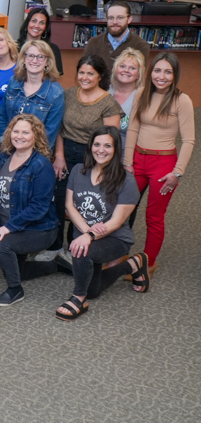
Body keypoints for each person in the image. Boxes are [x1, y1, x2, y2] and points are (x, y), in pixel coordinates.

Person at [53, 126, 149, 320]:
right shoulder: (78, 170)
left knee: (82, 251)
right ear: (90, 147)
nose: (101, 150)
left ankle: (79, 299)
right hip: (87, 234)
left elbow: (117, 221)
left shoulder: (126, 180)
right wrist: (88, 232)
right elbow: (69, 207)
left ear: (116, 150)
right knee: (94, 289)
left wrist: (89, 237)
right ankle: (134, 264)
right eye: (97, 144)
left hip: (114, 238)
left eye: (107, 145)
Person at [124, 52, 195, 270]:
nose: (161, 76)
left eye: (167, 72)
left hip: (163, 166)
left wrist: (178, 172)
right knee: (122, 208)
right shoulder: (141, 93)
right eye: (157, 70)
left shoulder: (181, 100)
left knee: (154, 216)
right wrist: (127, 163)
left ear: (175, 75)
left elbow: (189, 140)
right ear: (151, 72)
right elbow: (134, 127)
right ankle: (116, 257)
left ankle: (147, 264)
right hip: (137, 160)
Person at [51, 54, 122, 260]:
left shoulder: (108, 103)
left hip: (93, 157)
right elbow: (60, 128)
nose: (85, 77)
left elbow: (111, 141)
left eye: (90, 73)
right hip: (65, 154)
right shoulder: (69, 94)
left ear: (100, 76)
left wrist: (97, 164)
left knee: (82, 204)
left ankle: (77, 247)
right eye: (81, 72)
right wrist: (59, 155)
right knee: (60, 199)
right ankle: (55, 246)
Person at [0, 114, 59, 307]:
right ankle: (55, 265)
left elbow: (39, 207)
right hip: (10, 224)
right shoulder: (3, 158)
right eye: (16, 131)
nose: (20, 136)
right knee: (11, 265)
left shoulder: (41, 165)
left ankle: (15, 290)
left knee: (2, 246)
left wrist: (7, 228)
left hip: (39, 228)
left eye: (26, 132)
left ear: (35, 136)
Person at [0, 39, 64, 147]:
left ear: (47, 62)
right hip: (7, 148)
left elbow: (49, 133)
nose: (35, 60)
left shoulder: (56, 93)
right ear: (24, 59)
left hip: (35, 155)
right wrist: (4, 144)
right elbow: (2, 116)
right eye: (30, 55)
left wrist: (27, 156)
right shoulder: (14, 82)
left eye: (40, 56)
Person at [81, 0, 151, 69]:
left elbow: (138, 75)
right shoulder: (94, 42)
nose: (115, 22)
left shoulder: (140, 45)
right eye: (111, 18)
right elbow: (86, 72)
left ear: (129, 19)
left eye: (120, 17)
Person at [109, 48, 145, 146]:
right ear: (116, 69)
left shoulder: (143, 98)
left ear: (138, 74)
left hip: (129, 152)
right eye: (122, 66)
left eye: (132, 68)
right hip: (101, 151)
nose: (126, 70)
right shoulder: (104, 93)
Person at [17, 6, 63, 76]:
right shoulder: (14, 47)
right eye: (34, 21)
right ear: (27, 23)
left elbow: (56, 77)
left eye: (42, 23)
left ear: (45, 27)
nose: (37, 25)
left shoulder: (53, 49)